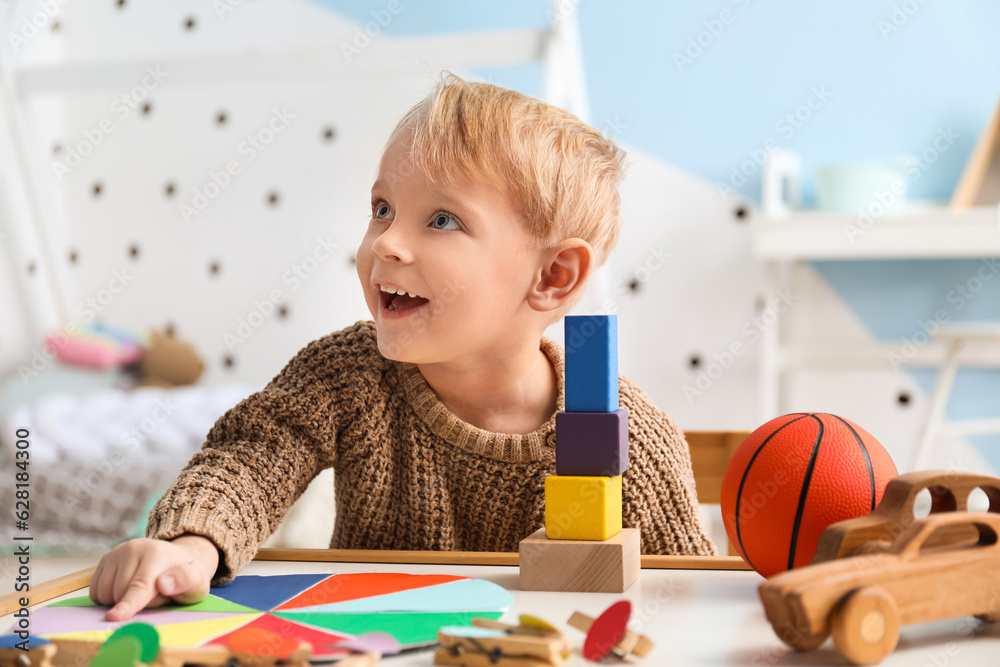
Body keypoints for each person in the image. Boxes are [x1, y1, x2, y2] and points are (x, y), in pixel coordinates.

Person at [91, 73, 717, 622]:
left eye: (442, 219)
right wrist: (193, 545)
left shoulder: (631, 441)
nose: (386, 243)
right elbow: (251, 460)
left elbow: (687, 602)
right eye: (383, 208)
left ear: (552, 277)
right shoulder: (346, 374)